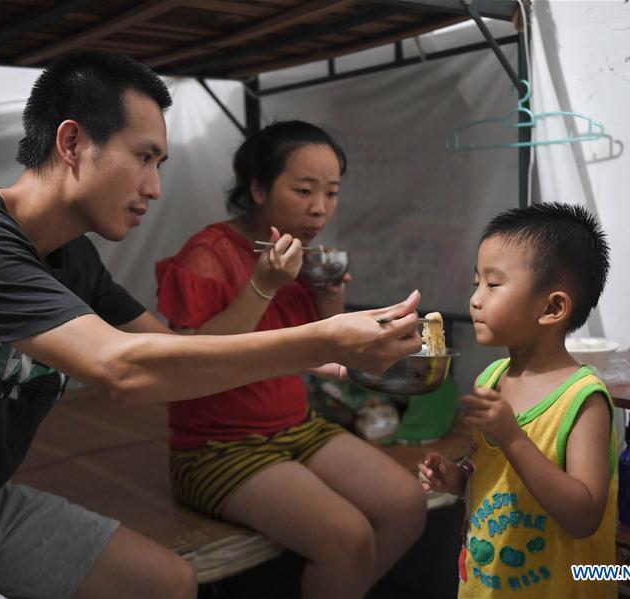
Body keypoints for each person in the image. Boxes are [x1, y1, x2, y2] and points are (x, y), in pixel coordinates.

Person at [0, 51, 424, 599]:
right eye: (144, 157)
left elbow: (171, 353)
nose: (156, 187)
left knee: (169, 583)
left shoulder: (76, 260)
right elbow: (120, 369)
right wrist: (318, 338)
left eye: (161, 163)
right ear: (72, 142)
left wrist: (310, 333)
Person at [154, 121, 428, 598]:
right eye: (303, 189)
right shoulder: (208, 254)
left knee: (408, 504)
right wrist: (264, 284)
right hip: (216, 447)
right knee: (348, 537)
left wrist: (328, 298)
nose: (320, 208)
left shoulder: (302, 258)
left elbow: (323, 352)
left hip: (296, 427)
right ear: (258, 188)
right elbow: (190, 364)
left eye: (331, 192)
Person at [419, 203, 615, 598]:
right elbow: (492, 481)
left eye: (493, 285)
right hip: (485, 585)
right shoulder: (490, 380)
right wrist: (457, 481)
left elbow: (583, 517)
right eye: (477, 282)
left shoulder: (583, 400)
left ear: (553, 307)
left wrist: (512, 437)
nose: (475, 299)